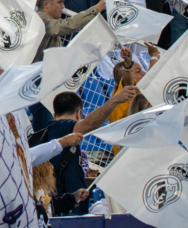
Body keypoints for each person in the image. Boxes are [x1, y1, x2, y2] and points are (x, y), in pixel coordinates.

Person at [29, 88, 139, 216]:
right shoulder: (61, 128)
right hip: (67, 214)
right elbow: (89, 125)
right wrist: (115, 100)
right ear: (79, 113)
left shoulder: (46, 132)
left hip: (61, 207)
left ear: (54, 114)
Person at [33, 0, 105, 61]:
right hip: (40, 71)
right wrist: (98, 8)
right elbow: (68, 24)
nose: (63, 6)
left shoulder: (49, 21)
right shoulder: (40, 21)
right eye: (60, 2)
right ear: (46, 4)